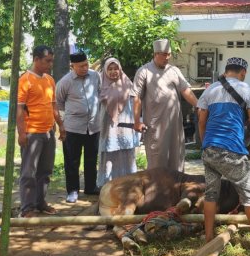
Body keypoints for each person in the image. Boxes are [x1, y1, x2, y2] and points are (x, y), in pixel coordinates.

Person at [197, 57, 250, 249]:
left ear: (226, 70)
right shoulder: (248, 89)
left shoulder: (210, 89)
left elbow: (201, 122)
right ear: (243, 73)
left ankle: (208, 236)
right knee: (249, 196)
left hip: (209, 150)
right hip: (232, 151)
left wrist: (206, 144)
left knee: (211, 194)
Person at [131, 39, 198, 172]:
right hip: (155, 124)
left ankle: (175, 190)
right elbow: (136, 97)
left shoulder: (174, 70)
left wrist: (199, 105)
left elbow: (186, 91)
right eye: (163, 54)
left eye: (169, 54)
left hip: (175, 124)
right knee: (157, 160)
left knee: (176, 157)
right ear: (155, 54)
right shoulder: (144, 71)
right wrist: (137, 121)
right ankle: (156, 191)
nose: (167, 57)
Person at [17, 45, 65, 217]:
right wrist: (22, 133)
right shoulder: (25, 80)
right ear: (36, 59)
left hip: (48, 132)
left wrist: (61, 125)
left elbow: (54, 106)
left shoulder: (49, 80)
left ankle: (40, 202)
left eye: (51, 61)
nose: (50, 64)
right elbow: (19, 109)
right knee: (29, 172)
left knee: (45, 171)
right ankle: (27, 208)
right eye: (47, 61)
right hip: (32, 133)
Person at [56, 52, 101, 203]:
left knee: (91, 158)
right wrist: (75, 111)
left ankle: (90, 186)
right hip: (73, 128)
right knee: (72, 161)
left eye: (86, 64)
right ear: (72, 66)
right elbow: (59, 102)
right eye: (81, 66)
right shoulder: (65, 81)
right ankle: (73, 191)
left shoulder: (95, 76)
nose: (85, 68)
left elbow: (99, 93)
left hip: (93, 126)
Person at [97, 57, 140, 188]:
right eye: (110, 69)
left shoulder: (127, 83)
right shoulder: (100, 85)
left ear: (120, 69)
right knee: (109, 154)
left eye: (116, 68)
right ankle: (108, 184)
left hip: (125, 125)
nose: (113, 71)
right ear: (105, 71)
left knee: (126, 153)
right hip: (108, 126)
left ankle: (128, 183)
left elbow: (135, 103)